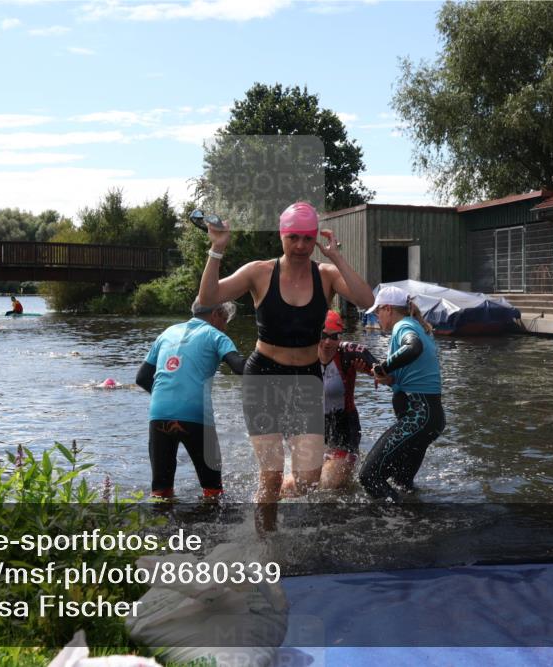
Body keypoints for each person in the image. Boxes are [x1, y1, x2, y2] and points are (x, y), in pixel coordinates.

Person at [197, 201, 375, 503]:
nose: (301, 245)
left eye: (308, 238)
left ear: (316, 238)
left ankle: (275, 517)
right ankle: (266, 544)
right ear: (282, 235)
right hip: (264, 376)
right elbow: (208, 297)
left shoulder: (326, 274)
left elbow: (366, 298)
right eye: (293, 237)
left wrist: (337, 257)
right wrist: (217, 249)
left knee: (308, 479)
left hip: (306, 378)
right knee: (271, 474)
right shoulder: (260, 272)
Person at [136, 299, 246, 499]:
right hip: (196, 416)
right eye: (225, 320)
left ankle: (160, 528)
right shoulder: (216, 335)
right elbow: (240, 368)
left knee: (161, 490)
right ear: (216, 315)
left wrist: (169, 398)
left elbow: (141, 378)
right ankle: (212, 526)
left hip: (159, 414)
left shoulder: (167, 333)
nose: (225, 326)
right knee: (213, 489)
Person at [359, 286, 446, 501]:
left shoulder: (403, 326)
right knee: (402, 484)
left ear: (388, 308)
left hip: (419, 416)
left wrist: (383, 368)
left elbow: (413, 347)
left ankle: (394, 528)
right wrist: (386, 378)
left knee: (369, 476)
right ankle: (415, 523)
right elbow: (412, 379)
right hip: (429, 418)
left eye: (377, 312)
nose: (376, 317)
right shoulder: (417, 326)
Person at [282, 310, 378, 495]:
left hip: (344, 427)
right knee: (295, 487)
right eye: (323, 336)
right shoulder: (301, 356)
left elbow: (381, 370)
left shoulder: (348, 354)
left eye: (333, 337)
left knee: (331, 483)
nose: (328, 342)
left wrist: (377, 373)